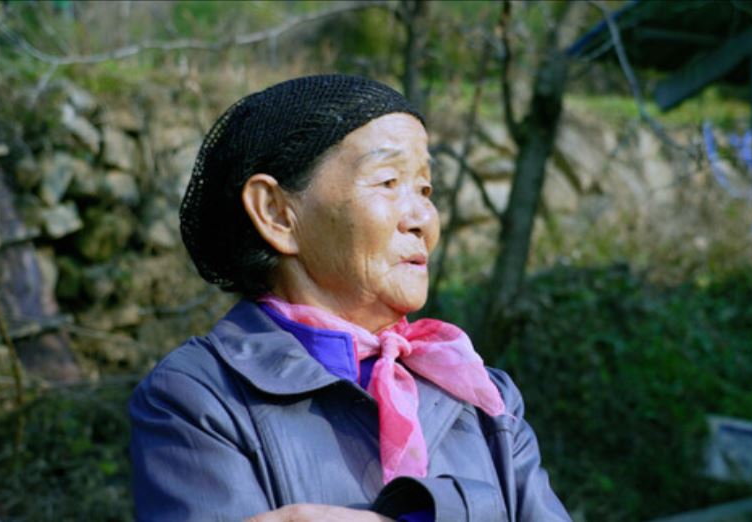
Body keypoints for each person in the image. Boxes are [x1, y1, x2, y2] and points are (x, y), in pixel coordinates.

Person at [129, 75, 570, 522]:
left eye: (424, 189)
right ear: (276, 213)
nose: (423, 219)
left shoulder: (484, 397)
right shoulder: (198, 396)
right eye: (388, 181)